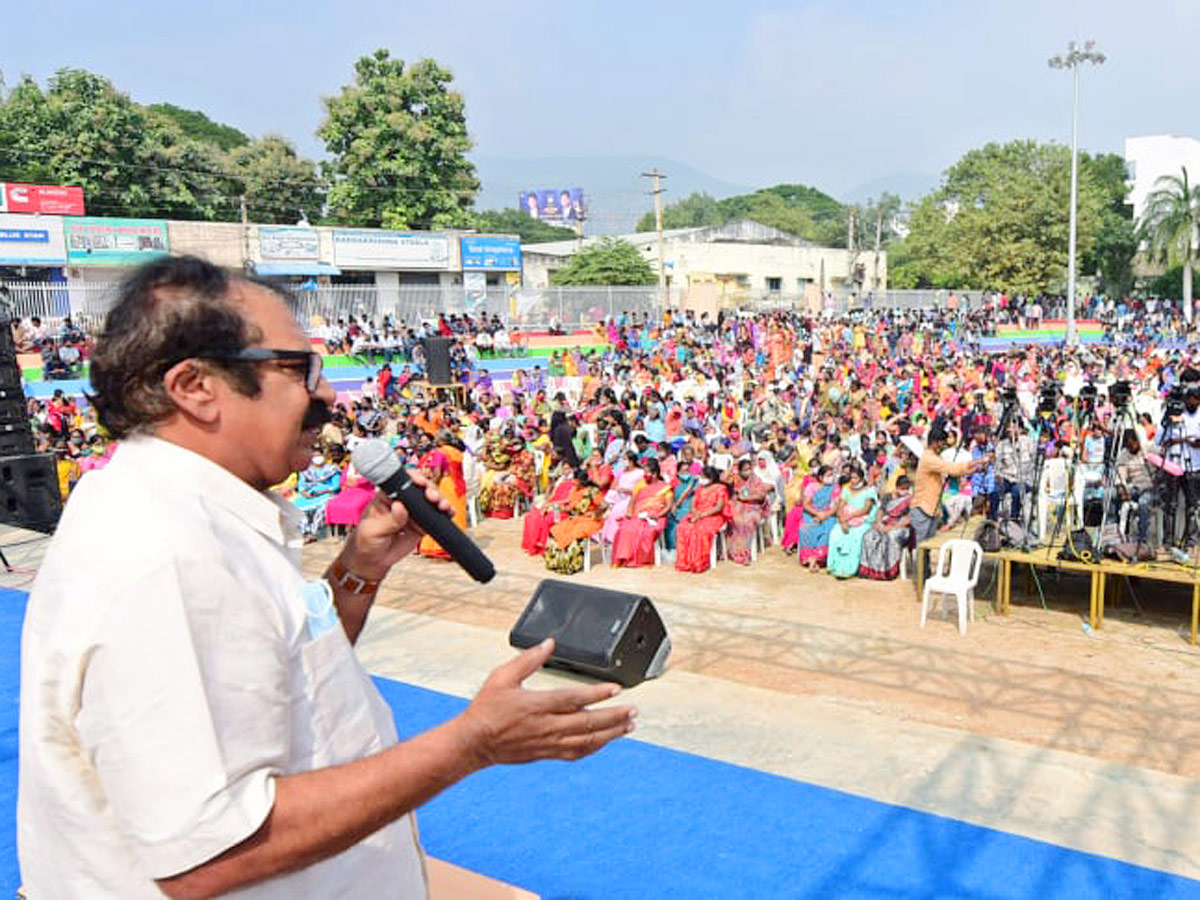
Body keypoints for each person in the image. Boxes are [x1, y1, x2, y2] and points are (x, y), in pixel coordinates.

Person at [18, 256, 636, 899]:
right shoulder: (164, 558)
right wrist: (471, 744)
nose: (330, 394)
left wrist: (361, 568)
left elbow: (286, 667)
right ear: (195, 386)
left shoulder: (190, 508)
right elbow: (206, 856)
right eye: (298, 369)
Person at [911, 419, 990, 545]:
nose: (944, 446)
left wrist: (976, 469)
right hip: (923, 508)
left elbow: (955, 468)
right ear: (936, 443)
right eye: (942, 443)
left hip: (932, 508)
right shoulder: (929, 459)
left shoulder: (936, 457)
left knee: (928, 545)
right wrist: (979, 462)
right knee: (921, 546)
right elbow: (953, 469)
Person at [610, 457, 672, 567]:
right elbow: (633, 501)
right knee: (625, 528)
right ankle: (623, 558)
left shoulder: (664, 487)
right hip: (638, 514)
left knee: (645, 531)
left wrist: (656, 515)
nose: (646, 475)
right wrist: (630, 513)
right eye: (645, 472)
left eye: (649, 473)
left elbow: (668, 506)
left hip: (657, 517)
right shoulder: (641, 484)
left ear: (655, 473)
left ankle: (639, 560)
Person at [826, 463, 878, 578]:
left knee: (855, 536)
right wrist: (842, 520)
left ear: (861, 478)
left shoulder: (869, 491)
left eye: (855, 478)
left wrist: (850, 517)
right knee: (836, 533)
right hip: (846, 519)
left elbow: (865, 509)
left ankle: (850, 568)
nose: (853, 480)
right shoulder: (846, 490)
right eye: (852, 478)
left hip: (862, 520)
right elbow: (840, 506)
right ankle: (835, 566)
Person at [674, 466, 729, 573]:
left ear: (711, 478)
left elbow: (719, 507)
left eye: (704, 477)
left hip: (713, 516)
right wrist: (695, 514)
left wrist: (702, 515)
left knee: (700, 530)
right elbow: (693, 504)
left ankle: (698, 562)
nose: (701, 479)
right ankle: (685, 562)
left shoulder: (720, 488)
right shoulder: (699, 488)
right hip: (696, 514)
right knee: (683, 527)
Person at [859, 475, 914, 580]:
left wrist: (892, 528)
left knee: (890, 537)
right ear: (897, 487)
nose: (905, 491)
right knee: (868, 536)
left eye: (907, 488)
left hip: (901, 527)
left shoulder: (910, 500)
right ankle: (870, 570)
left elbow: (908, 519)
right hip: (885, 522)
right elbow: (881, 511)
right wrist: (879, 523)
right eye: (902, 488)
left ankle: (887, 571)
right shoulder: (888, 497)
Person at [725, 457, 771, 564]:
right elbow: (723, 479)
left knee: (747, 521)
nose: (748, 472)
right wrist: (731, 467)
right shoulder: (736, 479)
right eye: (745, 470)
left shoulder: (756, 480)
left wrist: (746, 498)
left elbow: (761, 496)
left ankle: (745, 553)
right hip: (738, 505)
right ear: (740, 471)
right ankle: (734, 551)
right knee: (734, 519)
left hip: (753, 506)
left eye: (749, 469)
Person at [793, 466, 840, 571]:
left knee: (828, 530)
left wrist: (824, 515)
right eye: (828, 475)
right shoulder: (812, 486)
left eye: (832, 475)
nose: (831, 478)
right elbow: (806, 504)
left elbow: (836, 506)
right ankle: (809, 558)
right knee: (805, 529)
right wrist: (817, 514)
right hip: (812, 513)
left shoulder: (835, 488)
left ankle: (815, 559)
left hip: (828, 514)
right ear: (820, 476)